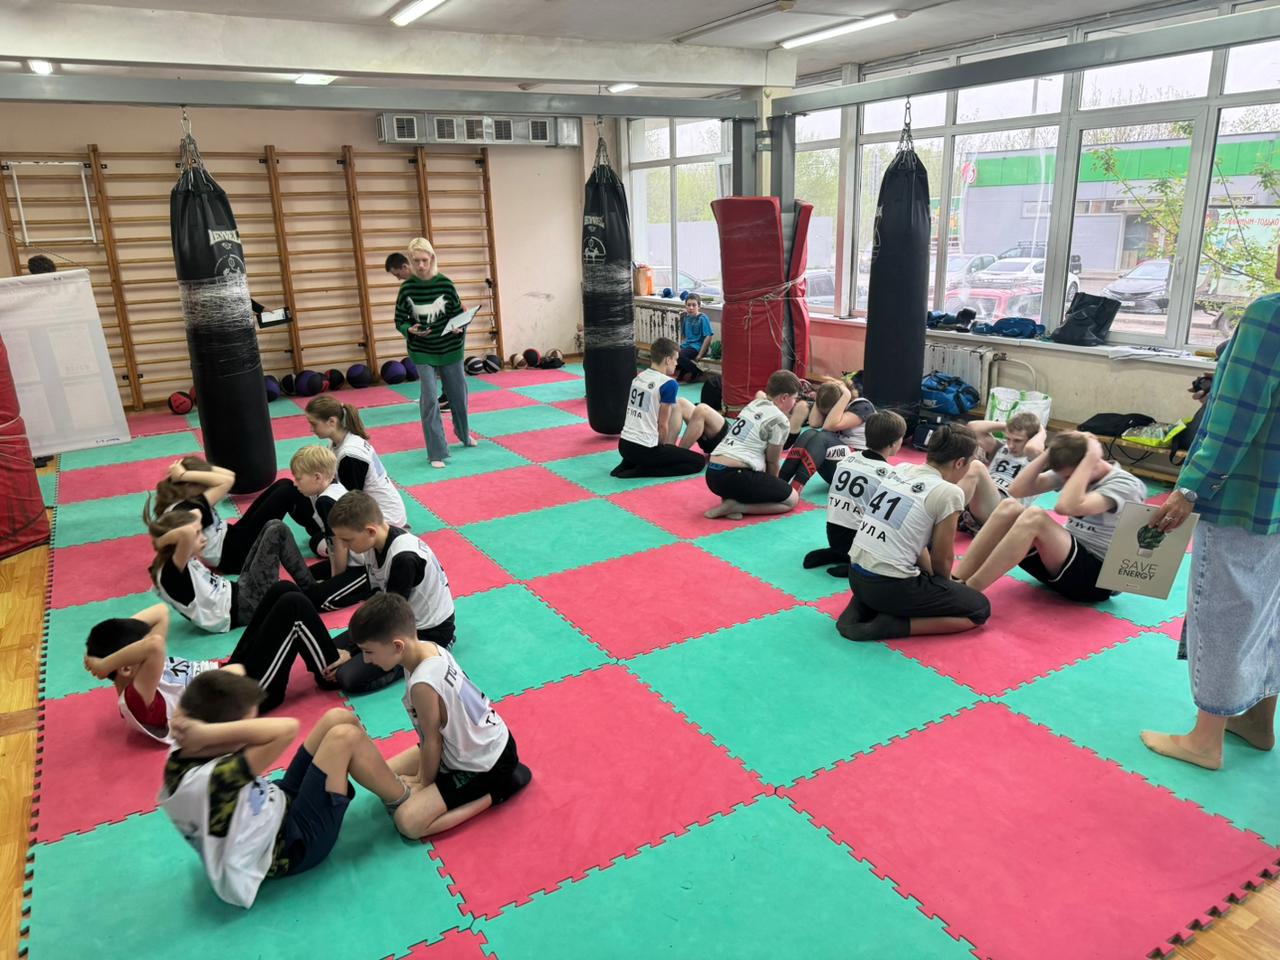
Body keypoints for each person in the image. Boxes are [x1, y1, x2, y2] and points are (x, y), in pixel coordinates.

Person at [1140, 285, 1280, 771]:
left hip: (1246, 493)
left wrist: (1190, 487)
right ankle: (1257, 719)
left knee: (1226, 609)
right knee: (1269, 608)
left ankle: (1205, 740)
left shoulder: (1271, 313)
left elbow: (1236, 416)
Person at [158, 672, 412, 908]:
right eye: (245, 727)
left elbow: (235, 670)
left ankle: (380, 777)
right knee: (345, 738)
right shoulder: (217, 779)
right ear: (218, 733)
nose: (250, 733)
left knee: (337, 717)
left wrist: (201, 728)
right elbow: (287, 729)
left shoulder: (185, 743)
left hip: (274, 803)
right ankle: (403, 799)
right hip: (293, 846)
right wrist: (210, 732)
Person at [350, 593, 531, 839]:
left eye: (369, 651)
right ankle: (444, 781)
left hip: (487, 763)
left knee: (407, 822)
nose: (366, 660)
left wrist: (423, 783)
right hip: (466, 745)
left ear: (397, 646)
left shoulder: (423, 684)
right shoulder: (428, 649)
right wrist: (419, 779)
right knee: (385, 777)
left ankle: (500, 790)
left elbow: (432, 740)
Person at [837, 424, 991, 643]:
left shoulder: (900, 469)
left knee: (915, 544)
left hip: (855, 576)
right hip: (889, 587)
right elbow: (942, 559)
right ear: (959, 463)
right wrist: (945, 587)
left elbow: (913, 540)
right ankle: (893, 625)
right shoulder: (950, 492)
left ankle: (863, 606)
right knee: (979, 609)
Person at [954, 432, 1147, 602]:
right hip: (1062, 564)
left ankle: (968, 592)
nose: (1066, 481)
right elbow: (1017, 490)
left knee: (1035, 517)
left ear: (1093, 462)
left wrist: (1090, 458)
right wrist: (1051, 450)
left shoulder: (1125, 485)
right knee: (1009, 506)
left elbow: (1066, 507)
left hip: (1095, 581)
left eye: (1068, 477)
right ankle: (954, 581)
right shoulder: (1074, 472)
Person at [324, 491, 456, 694]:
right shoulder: (372, 543)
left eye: (347, 540)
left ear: (370, 531)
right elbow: (375, 600)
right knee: (328, 656)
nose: (344, 546)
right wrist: (356, 644)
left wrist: (353, 651)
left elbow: (390, 616)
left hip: (427, 632)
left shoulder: (404, 559)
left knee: (346, 678)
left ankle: (430, 652)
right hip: (397, 620)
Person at [144, 505, 316, 634]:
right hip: (243, 609)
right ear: (176, 542)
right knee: (278, 530)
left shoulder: (173, 561)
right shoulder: (170, 573)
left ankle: (309, 588)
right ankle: (313, 591)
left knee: (271, 525)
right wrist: (160, 540)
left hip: (240, 592)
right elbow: (187, 532)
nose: (203, 538)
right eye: (197, 534)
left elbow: (194, 517)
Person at [151, 456, 320, 574]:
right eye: (203, 485)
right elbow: (228, 480)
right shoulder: (191, 508)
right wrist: (184, 474)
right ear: (188, 485)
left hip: (232, 538)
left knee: (284, 484)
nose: (207, 489)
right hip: (235, 556)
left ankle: (318, 530)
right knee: (286, 492)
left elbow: (230, 475)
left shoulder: (178, 499)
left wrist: (196, 469)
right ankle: (322, 535)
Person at [83, 603, 224, 743]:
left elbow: (161, 612)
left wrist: (121, 635)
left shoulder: (143, 670)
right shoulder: (136, 699)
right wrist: (104, 665)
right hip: (225, 696)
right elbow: (155, 645)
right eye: (140, 647)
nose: (146, 642)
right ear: (126, 668)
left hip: (222, 675)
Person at [395, 236, 476, 468]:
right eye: (416, 261)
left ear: (432, 258)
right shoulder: (407, 288)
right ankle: (436, 452)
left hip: (450, 348)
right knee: (429, 399)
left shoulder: (445, 284)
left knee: (458, 396)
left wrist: (459, 326)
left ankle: (463, 433)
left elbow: (458, 314)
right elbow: (400, 320)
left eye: (424, 260)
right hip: (422, 350)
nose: (421, 265)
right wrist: (409, 329)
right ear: (410, 261)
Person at [803, 410, 908, 578]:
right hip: (860, 544)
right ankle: (857, 565)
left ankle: (839, 553)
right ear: (894, 443)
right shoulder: (889, 476)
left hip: (834, 535)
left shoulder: (847, 460)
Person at [703, 371, 803, 521]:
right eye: (795, 398)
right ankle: (738, 506)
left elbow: (760, 394)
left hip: (712, 475)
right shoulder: (780, 421)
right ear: (784, 397)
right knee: (792, 499)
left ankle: (731, 500)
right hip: (734, 476)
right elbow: (772, 462)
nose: (795, 403)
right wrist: (772, 489)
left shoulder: (755, 403)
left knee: (756, 462)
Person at [290, 445, 374, 612]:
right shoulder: (335, 486)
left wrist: (335, 579)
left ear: (317, 477)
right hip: (352, 559)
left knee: (314, 601)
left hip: (364, 567)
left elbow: (339, 547)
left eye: (298, 479)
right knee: (307, 577)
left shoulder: (326, 501)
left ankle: (370, 589)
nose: (294, 483)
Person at [305, 395, 408, 528]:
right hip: (374, 510)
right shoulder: (337, 443)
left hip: (385, 520)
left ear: (332, 421)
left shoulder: (350, 455)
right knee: (297, 489)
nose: (311, 429)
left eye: (314, 424)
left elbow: (351, 504)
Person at [612, 337, 706, 478]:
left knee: (666, 454)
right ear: (668, 360)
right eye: (676, 359)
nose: (676, 363)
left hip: (624, 445)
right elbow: (663, 425)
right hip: (643, 449)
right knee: (698, 462)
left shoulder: (638, 378)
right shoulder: (668, 384)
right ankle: (642, 471)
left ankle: (630, 463)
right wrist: (662, 449)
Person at [779, 379, 877, 490]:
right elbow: (814, 423)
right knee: (809, 434)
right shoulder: (835, 404)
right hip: (839, 465)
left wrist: (846, 395)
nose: (828, 414)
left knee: (822, 438)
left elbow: (828, 426)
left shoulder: (862, 406)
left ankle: (796, 488)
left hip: (859, 465)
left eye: (830, 411)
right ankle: (780, 481)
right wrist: (820, 394)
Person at [956, 411, 1047, 529]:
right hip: (985, 500)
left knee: (976, 466)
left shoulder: (1038, 459)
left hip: (1006, 509)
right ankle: (951, 514)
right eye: (1008, 439)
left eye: (1017, 440)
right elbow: (973, 427)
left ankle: (947, 517)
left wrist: (1041, 430)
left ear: (1032, 439)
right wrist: (1009, 426)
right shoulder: (1001, 449)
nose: (1011, 445)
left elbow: (1033, 448)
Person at [675, 294, 714, 382]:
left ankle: (697, 371)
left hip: (698, 347)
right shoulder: (686, 317)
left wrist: (700, 354)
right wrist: (681, 347)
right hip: (688, 346)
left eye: (694, 305)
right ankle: (685, 370)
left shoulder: (703, 318)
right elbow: (684, 336)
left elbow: (708, 336)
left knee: (680, 355)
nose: (691, 308)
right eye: (688, 305)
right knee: (672, 354)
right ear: (685, 306)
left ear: (699, 306)